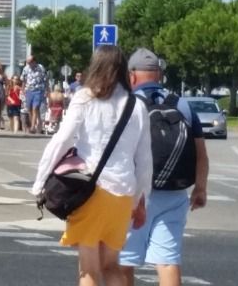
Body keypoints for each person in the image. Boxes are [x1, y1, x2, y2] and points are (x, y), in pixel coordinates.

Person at [31, 45, 152, 286]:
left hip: (90, 191)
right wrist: (141, 201)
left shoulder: (86, 98)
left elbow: (62, 141)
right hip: (122, 195)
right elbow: (145, 160)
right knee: (111, 265)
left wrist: (40, 181)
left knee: (89, 270)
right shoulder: (136, 105)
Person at [119, 47, 209, 286]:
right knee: (168, 261)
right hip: (174, 193)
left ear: (132, 76)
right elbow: (201, 152)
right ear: (159, 74)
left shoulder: (128, 104)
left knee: (125, 261)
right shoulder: (183, 105)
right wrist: (200, 188)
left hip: (135, 194)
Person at [21, 55, 48, 134]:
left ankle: (32, 127)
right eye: (27, 62)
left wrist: (47, 90)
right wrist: (22, 90)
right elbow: (23, 80)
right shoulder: (26, 69)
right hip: (29, 90)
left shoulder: (41, 68)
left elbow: (45, 79)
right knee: (29, 108)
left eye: (29, 62)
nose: (28, 64)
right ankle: (38, 123)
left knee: (35, 107)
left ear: (34, 61)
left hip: (38, 90)